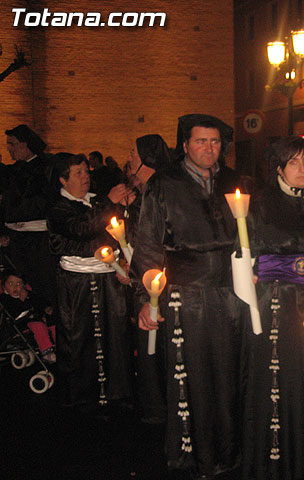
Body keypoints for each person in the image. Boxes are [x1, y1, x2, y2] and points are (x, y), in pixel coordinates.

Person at [132, 114, 243, 479]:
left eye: (214, 142)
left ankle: (230, 451)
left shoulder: (232, 182)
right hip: (186, 295)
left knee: (229, 375)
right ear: (184, 145)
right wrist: (145, 300)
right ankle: (198, 456)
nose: (208, 149)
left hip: (230, 292)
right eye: (200, 141)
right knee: (193, 379)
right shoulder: (164, 184)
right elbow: (147, 247)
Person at [242, 136, 304, 480]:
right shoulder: (261, 206)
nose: (302, 169)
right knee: (275, 379)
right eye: (293, 162)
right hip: (274, 303)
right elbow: (246, 251)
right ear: (279, 168)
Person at [47, 153, 135, 408]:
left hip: (110, 277)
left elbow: (119, 228)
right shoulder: (58, 208)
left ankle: (118, 392)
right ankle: (83, 395)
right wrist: (110, 202)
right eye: (78, 173)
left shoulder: (96, 202)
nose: (86, 177)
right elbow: (82, 229)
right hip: (76, 283)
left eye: (87, 171)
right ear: (63, 181)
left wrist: (127, 203)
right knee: (80, 337)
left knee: (116, 333)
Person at [125, 134, 172, 424]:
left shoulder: (161, 192)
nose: (128, 158)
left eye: (133, 152)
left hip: (158, 284)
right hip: (141, 278)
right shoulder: (141, 191)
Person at [2, 125, 58, 311]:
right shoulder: (13, 170)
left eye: (12, 144)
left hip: (38, 241)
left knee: (41, 284)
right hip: (16, 240)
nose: (9, 148)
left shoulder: (46, 168)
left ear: (25, 145)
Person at [1, 271, 56, 363]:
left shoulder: (29, 295)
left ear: (23, 286)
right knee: (37, 325)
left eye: (18, 284)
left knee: (53, 322)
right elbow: (16, 313)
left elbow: (41, 303)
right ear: (4, 286)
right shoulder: (5, 299)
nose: (15, 287)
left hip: (36, 319)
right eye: (10, 284)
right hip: (21, 325)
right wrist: (22, 301)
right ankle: (47, 351)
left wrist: (46, 309)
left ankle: (61, 346)